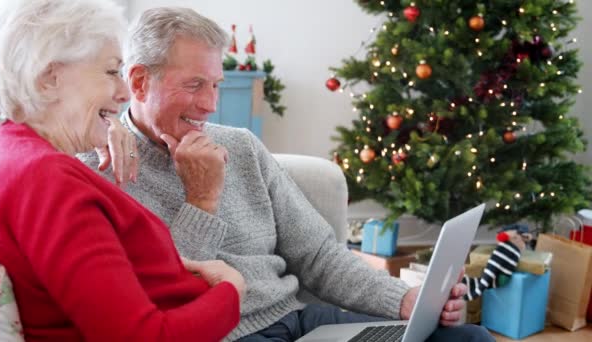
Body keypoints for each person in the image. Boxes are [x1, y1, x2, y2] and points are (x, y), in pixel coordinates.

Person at [80, 7, 495, 342]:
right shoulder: (102, 171)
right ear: (138, 82)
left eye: (215, 85)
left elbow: (318, 254)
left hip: (300, 322)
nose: (210, 104)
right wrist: (201, 199)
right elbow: (167, 299)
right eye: (194, 85)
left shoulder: (240, 146)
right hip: (222, 335)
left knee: (469, 339)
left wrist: (404, 300)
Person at [0, 1, 245, 341]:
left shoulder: (1, 150)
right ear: (50, 78)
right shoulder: (47, 179)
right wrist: (231, 292)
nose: (124, 93)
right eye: (111, 72)